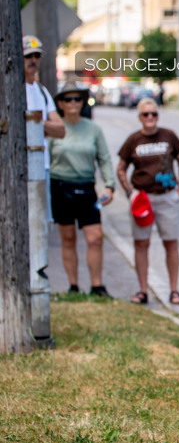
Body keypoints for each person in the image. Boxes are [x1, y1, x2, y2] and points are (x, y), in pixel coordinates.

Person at [116, 98, 179, 305]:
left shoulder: (169, 136)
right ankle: (142, 290)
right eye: (146, 114)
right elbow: (121, 168)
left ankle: (174, 290)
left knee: (171, 242)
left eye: (154, 114)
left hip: (167, 197)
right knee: (141, 243)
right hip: (143, 199)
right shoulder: (134, 140)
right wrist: (130, 193)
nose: (150, 118)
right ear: (139, 117)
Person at [49, 82, 115, 296]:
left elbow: (104, 158)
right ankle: (73, 286)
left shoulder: (93, 128)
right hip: (61, 186)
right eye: (68, 99)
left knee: (95, 237)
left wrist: (109, 185)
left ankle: (97, 285)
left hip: (86, 187)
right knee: (68, 239)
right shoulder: (55, 129)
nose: (73, 103)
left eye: (77, 99)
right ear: (60, 103)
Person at [23, 35, 66, 217]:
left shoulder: (42, 91)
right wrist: (45, 126)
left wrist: (33, 122)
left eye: (37, 56)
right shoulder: (12, 88)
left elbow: (61, 130)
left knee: (41, 221)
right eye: (28, 56)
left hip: (43, 163)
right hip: (20, 164)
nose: (33, 60)